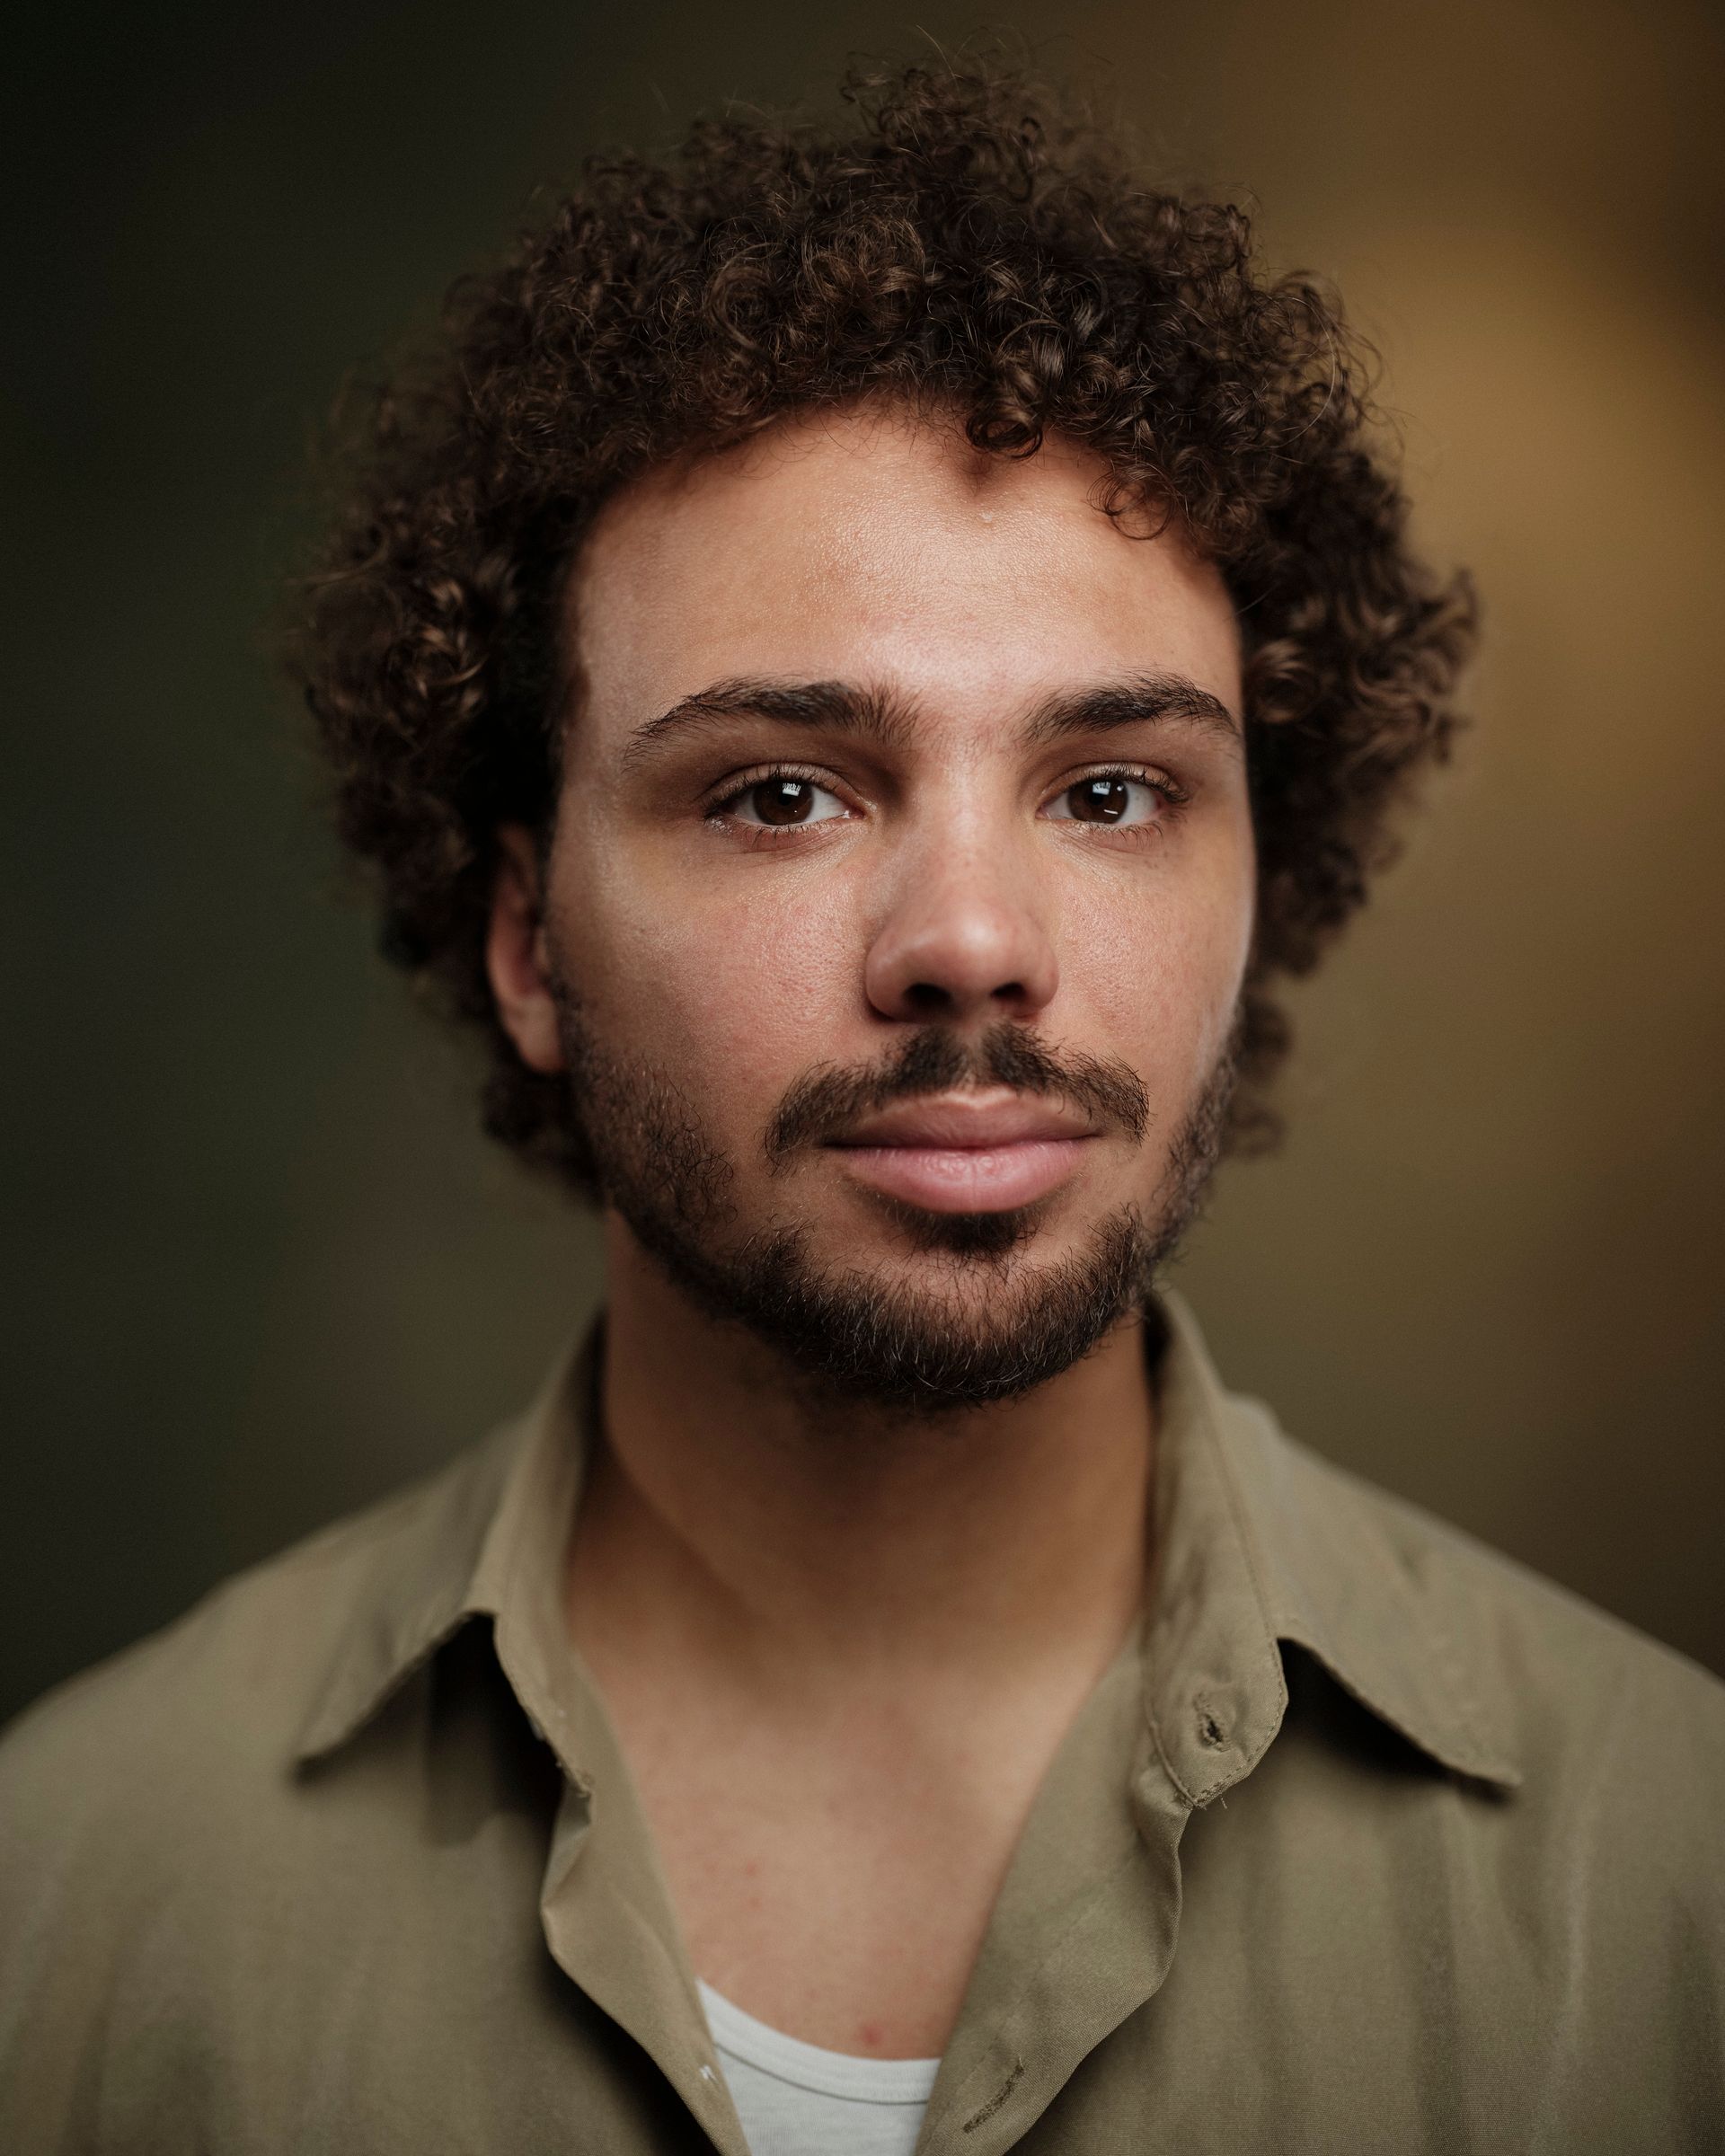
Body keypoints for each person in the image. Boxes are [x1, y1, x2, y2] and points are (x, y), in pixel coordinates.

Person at [1, 58, 1720, 2156]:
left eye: (1110, 792)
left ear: (1264, 879)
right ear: (530, 944)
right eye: (782, 792)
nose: (974, 940)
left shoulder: (1671, 1896)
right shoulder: (68, 1911)